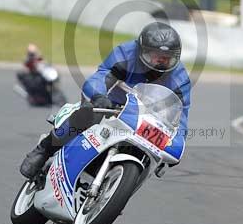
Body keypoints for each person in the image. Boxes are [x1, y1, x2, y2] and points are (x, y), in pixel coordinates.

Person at [19, 21, 191, 178]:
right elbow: (100, 78)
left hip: (143, 117)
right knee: (89, 115)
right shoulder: (126, 54)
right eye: (155, 55)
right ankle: (43, 151)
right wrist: (98, 96)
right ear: (141, 50)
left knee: (151, 155)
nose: (160, 62)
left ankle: (114, 195)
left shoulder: (180, 78)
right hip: (109, 104)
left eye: (167, 58)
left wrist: (176, 144)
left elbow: (180, 117)